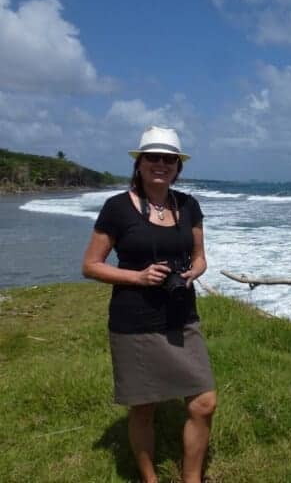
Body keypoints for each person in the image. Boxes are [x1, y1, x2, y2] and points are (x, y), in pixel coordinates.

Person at [83, 126, 216, 483]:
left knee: (204, 403)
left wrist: (191, 272)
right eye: (153, 157)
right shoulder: (117, 208)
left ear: (177, 166)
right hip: (135, 321)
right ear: (139, 164)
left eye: (168, 159)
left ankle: (192, 479)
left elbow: (202, 258)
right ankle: (149, 479)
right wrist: (139, 277)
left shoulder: (188, 205)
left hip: (182, 316)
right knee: (143, 407)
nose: (161, 164)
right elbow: (90, 265)